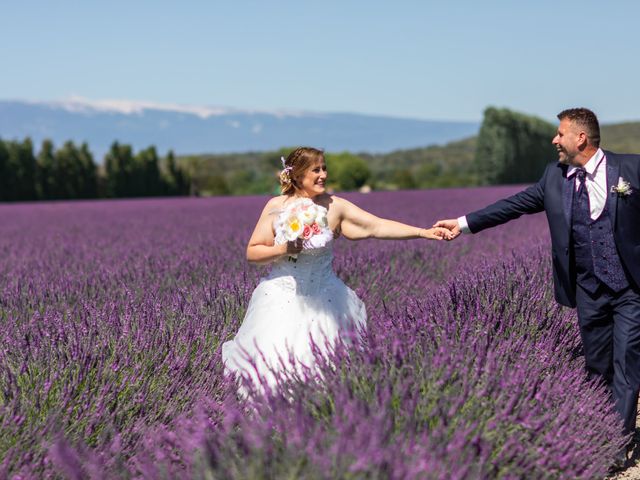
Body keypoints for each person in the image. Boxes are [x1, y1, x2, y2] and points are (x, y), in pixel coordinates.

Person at [435, 108, 640, 469]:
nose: (554, 141)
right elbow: (512, 206)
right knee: (596, 367)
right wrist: (463, 223)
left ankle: (616, 444)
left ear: (581, 138)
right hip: (588, 290)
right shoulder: (553, 178)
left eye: (560, 134)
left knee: (627, 365)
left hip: (631, 289)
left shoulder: (631, 169)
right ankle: (600, 429)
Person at [222, 146, 452, 392]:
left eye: (324, 168)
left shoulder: (335, 206)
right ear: (298, 175)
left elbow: (376, 226)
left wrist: (422, 232)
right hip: (280, 299)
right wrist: (283, 249)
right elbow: (253, 252)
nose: (323, 175)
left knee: (330, 373)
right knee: (273, 369)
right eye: (315, 170)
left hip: (327, 299)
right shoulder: (276, 206)